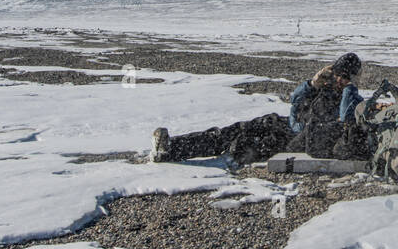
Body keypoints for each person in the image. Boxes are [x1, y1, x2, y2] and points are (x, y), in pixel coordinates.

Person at [150, 52, 366, 165]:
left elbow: (345, 118)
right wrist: (311, 83)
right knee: (236, 129)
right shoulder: (324, 88)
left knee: (241, 143)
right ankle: (171, 147)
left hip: (300, 139)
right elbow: (295, 102)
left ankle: (179, 153)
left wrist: (349, 88)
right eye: (337, 73)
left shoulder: (352, 98)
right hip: (289, 125)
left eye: (344, 76)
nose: (338, 79)